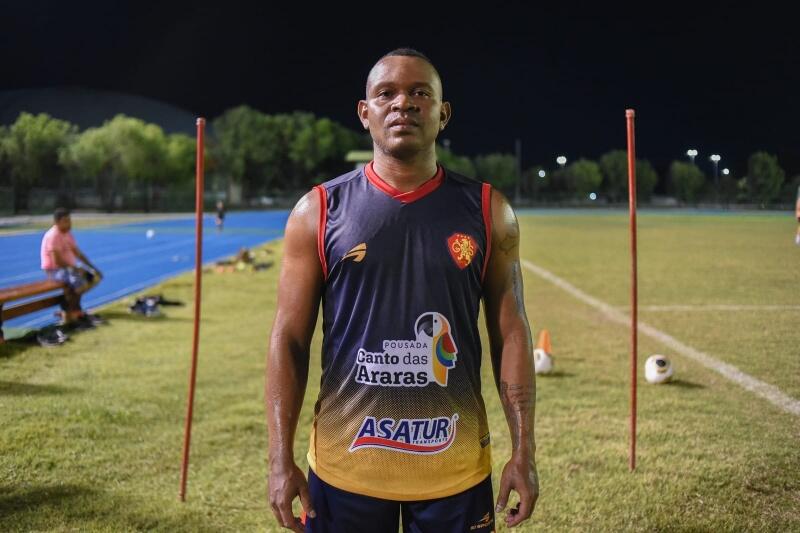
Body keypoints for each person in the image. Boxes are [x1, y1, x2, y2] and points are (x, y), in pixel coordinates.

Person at [266, 48, 538, 532]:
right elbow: (288, 339)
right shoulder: (318, 210)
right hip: (344, 467)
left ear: (443, 113)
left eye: (420, 93)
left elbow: (511, 331)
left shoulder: (488, 210)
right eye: (386, 93)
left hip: (454, 468)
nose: (403, 104)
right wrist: (278, 459)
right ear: (364, 112)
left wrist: (525, 451)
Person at [40, 208, 103, 326]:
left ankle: (73, 309)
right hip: (54, 270)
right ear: (56, 222)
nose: (69, 224)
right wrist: (76, 269)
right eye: (65, 221)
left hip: (69, 268)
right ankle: (70, 310)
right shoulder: (53, 236)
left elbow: (78, 253)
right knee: (79, 282)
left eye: (69, 220)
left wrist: (93, 268)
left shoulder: (68, 234)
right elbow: (57, 261)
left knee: (94, 277)